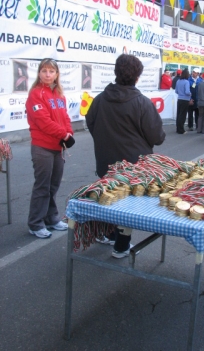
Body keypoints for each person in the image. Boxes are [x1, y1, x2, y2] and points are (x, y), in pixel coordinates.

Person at [86, 54, 166, 258]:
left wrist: (105, 141)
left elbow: (91, 123)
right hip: (134, 166)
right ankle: (121, 246)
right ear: (137, 77)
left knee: (109, 196)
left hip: (106, 161)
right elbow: (157, 136)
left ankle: (109, 235)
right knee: (127, 204)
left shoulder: (100, 99)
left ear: (115, 72)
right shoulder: (141, 102)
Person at [26, 58, 74, 239]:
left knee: (53, 186)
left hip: (58, 147)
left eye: (51, 71)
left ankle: (51, 218)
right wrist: (64, 135)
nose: (47, 74)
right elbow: (44, 122)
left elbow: (65, 117)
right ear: (39, 73)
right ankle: (35, 223)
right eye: (44, 71)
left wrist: (69, 132)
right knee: (42, 186)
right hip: (42, 147)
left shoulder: (59, 94)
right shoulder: (36, 94)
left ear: (57, 74)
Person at [175, 68, 191, 134]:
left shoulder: (178, 81)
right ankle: (181, 130)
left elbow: (176, 91)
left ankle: (178, 128)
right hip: (185, 99)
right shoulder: (186, 82)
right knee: (183, 115)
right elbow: (187, 92)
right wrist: (190, 94)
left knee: (178, 114)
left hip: (179, 99)